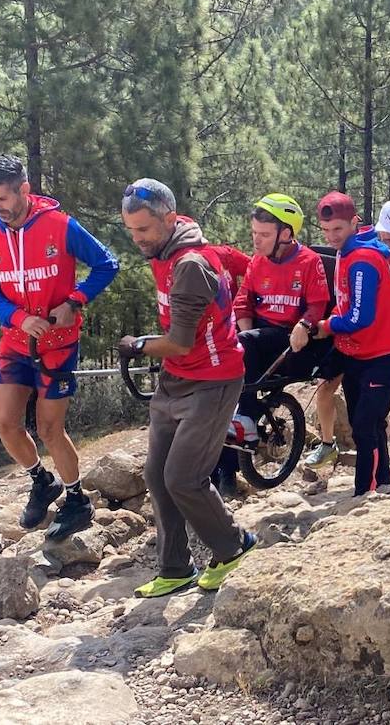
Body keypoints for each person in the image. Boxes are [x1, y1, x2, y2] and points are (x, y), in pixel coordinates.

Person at [116, 179, 257, 598]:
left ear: (169, 220)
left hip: (213, 381)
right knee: (157, 477)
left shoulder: (189, 264)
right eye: (131, 230)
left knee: (184, 478)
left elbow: (179, 340)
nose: (137, 239)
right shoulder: (166, 251)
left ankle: (235, 547)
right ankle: (176, 567)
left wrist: (137, 345)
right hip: (176, 379)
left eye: (144, 230)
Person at [0, 154, 119, 540]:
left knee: (50, 428)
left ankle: (77, 501)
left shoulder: (59, 225)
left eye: (1, 199)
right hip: (16, 341)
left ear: (24, 190)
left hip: (59, 343)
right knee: (5, 423)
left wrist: (75, 301)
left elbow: (107, 263)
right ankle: (41, 480)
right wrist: (18, 318)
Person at [290, 191, 390, 496]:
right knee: (368, 420)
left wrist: (325, 326)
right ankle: (384, 478)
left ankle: (364, 490)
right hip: (357, 351)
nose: (331, 237)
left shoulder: (362, 259)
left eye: (337, 229)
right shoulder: (347, 251)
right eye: (326, 230)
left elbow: (359, 316)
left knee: (364, 424)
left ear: (354, 223)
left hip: (381, 353)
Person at [218, 193, 331, 495]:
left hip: (293, 342)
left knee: (238, 399)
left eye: (264, 234)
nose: (256, 240)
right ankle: (224, 472)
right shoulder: (257, 262)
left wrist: (304, 325)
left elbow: (318, 303)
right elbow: (243, 301)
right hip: (260, 341)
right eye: (254, 233)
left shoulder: (309, 261)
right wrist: (245, 337)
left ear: (286, 233)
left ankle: (244, 428)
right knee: (223, 395)